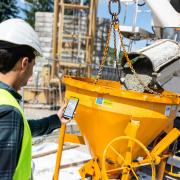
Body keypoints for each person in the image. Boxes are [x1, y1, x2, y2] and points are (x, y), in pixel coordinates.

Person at [0, 18, 69, 180]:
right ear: (24, 63)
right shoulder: (9, 111)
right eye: (33, 65)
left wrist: (55, 120)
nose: (32, 73)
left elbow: (23, 130)